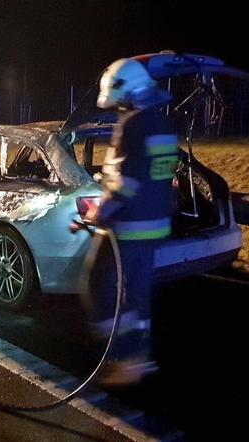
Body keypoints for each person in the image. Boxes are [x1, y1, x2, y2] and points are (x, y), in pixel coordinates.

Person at [81, 58, 179, 386]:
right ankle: (140, 357)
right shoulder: (161, 123)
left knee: (98, 284)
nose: (116, 107)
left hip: (130, 225)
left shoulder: (134, 124)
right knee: (138, 292)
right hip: (155, 224)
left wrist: (99, 212)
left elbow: (127, 183)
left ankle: (120, 356)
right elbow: (154, 175)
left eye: (118, 101)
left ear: (128, 93)